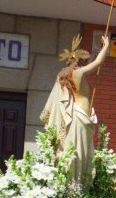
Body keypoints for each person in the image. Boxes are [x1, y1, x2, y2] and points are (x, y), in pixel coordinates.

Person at [40, 33, 109, 186]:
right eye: (83, 61)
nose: (85, 64)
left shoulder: (65, 76)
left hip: (81, 118)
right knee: (80, 155)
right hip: (80, 119)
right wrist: (106, 47)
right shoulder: (78, 73)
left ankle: (76, 186)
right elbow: (98, 62)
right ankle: (76, 187)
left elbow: (92, 64)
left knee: (80, 154)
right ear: (78, 62)